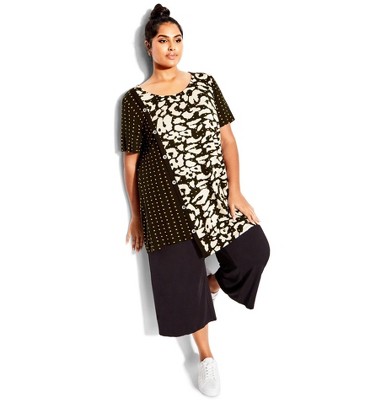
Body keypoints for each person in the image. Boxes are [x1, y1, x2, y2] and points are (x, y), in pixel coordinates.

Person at [120, 4, 271, 397]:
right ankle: (206, 357)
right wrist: (136, 215)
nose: (172, 47)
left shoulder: (206, 83)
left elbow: (228, 140)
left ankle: (213, 282)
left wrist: (235, 189)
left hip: (212, 195)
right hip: (163, 203)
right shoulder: (135, 100)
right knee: (184, 287)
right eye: (163, 40)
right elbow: (132, 161)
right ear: (149, 46)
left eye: (177, 40)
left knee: (255, 251)